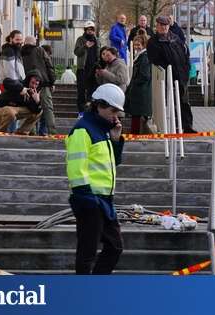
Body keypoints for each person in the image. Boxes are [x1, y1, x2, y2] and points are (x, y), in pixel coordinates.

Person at [65, 83, 126, 275]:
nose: (116, 116)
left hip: (104, 200)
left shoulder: (103, 129)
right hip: (89, 200)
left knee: (115, 247)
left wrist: (116, 141)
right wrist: (87, 199)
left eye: (118, 111)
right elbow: (76, 168)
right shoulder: (83, 130)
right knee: (87, 252)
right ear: (99, 106)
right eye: (113, 110)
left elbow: (112, 164)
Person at [147, 15, 196, 133]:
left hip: (181, 76)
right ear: (157, 26)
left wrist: (186, 69)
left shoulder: (175, 38)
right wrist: (167, 71)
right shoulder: (153, 42)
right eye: (161, 25)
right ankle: (173, 126)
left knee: (184, 102)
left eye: (166, 25)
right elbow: (155, 60)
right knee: (170, 102)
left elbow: (185, 53)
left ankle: (187, 126)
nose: (164, 27)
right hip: (167, 77)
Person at [21, 36, 57, 135]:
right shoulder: (39, 50)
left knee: (31, 108)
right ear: (34, 43)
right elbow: (49, 65)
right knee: (48, 108)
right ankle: (52, 132)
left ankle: (32, 132)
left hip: (29, 84)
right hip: (43, 83)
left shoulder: (21, 53)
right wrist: (52, 81)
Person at [0, 70, 42, 134]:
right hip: (0, 109)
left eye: (36, 84)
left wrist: (37, 102)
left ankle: (22, 132)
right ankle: (0, 132)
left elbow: (35, 111)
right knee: (11, 112)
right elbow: (6, 81)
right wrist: (21, 89)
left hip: (15, 112)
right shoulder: (20, 83)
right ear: (28, 80)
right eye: (32, 83)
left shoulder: (34, 94)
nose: (34, 86)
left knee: (39, 112)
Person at [124, 35, 152, 134]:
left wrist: (134, 83)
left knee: (136, 115)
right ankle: (134, 133)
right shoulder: (141, 55)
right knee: (136, 115)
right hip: (139, 90)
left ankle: (134, 134)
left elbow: (145, 75)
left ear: (144, 45)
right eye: (135, 44)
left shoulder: (144, 57)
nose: (136, 47)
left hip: (140, 91)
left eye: (138, 44)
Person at [74, 21, 100, 116]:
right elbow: (76, 52)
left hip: (93, 69)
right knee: (81, 91)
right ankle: (81, 112)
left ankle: (90, 111)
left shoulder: (97, 40)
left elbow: (99, 54)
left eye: (92, 29)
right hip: (82, 69)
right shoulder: (80, 39)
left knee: (92, 91)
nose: (90, 31)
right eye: (88, 29)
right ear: (85, 30)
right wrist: (85, 46)